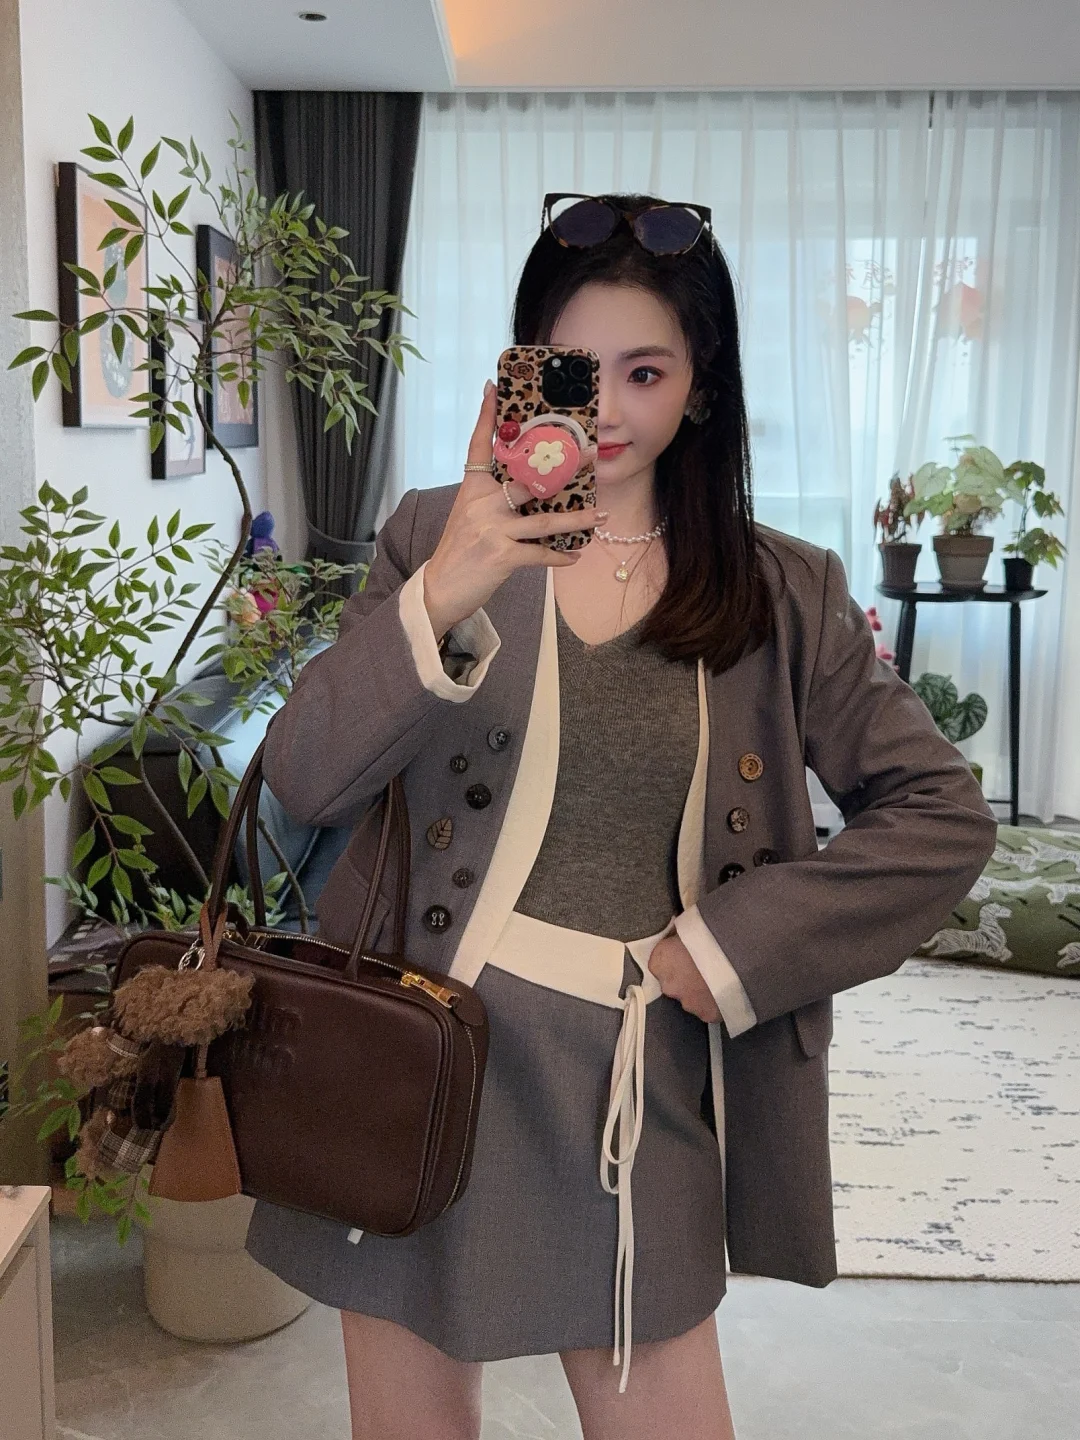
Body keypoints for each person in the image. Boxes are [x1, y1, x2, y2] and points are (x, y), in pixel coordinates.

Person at [245, 193, 998, 1440]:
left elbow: (942, 816)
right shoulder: (435, 533)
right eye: (573, 370)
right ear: (522, 370)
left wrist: (731, 946)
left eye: (645, 373)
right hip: (413, 1062)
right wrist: (451, 586)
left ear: (701, 388)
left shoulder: (780, 589)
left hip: (631, 1085)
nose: (604, 411)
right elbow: (306, 778)